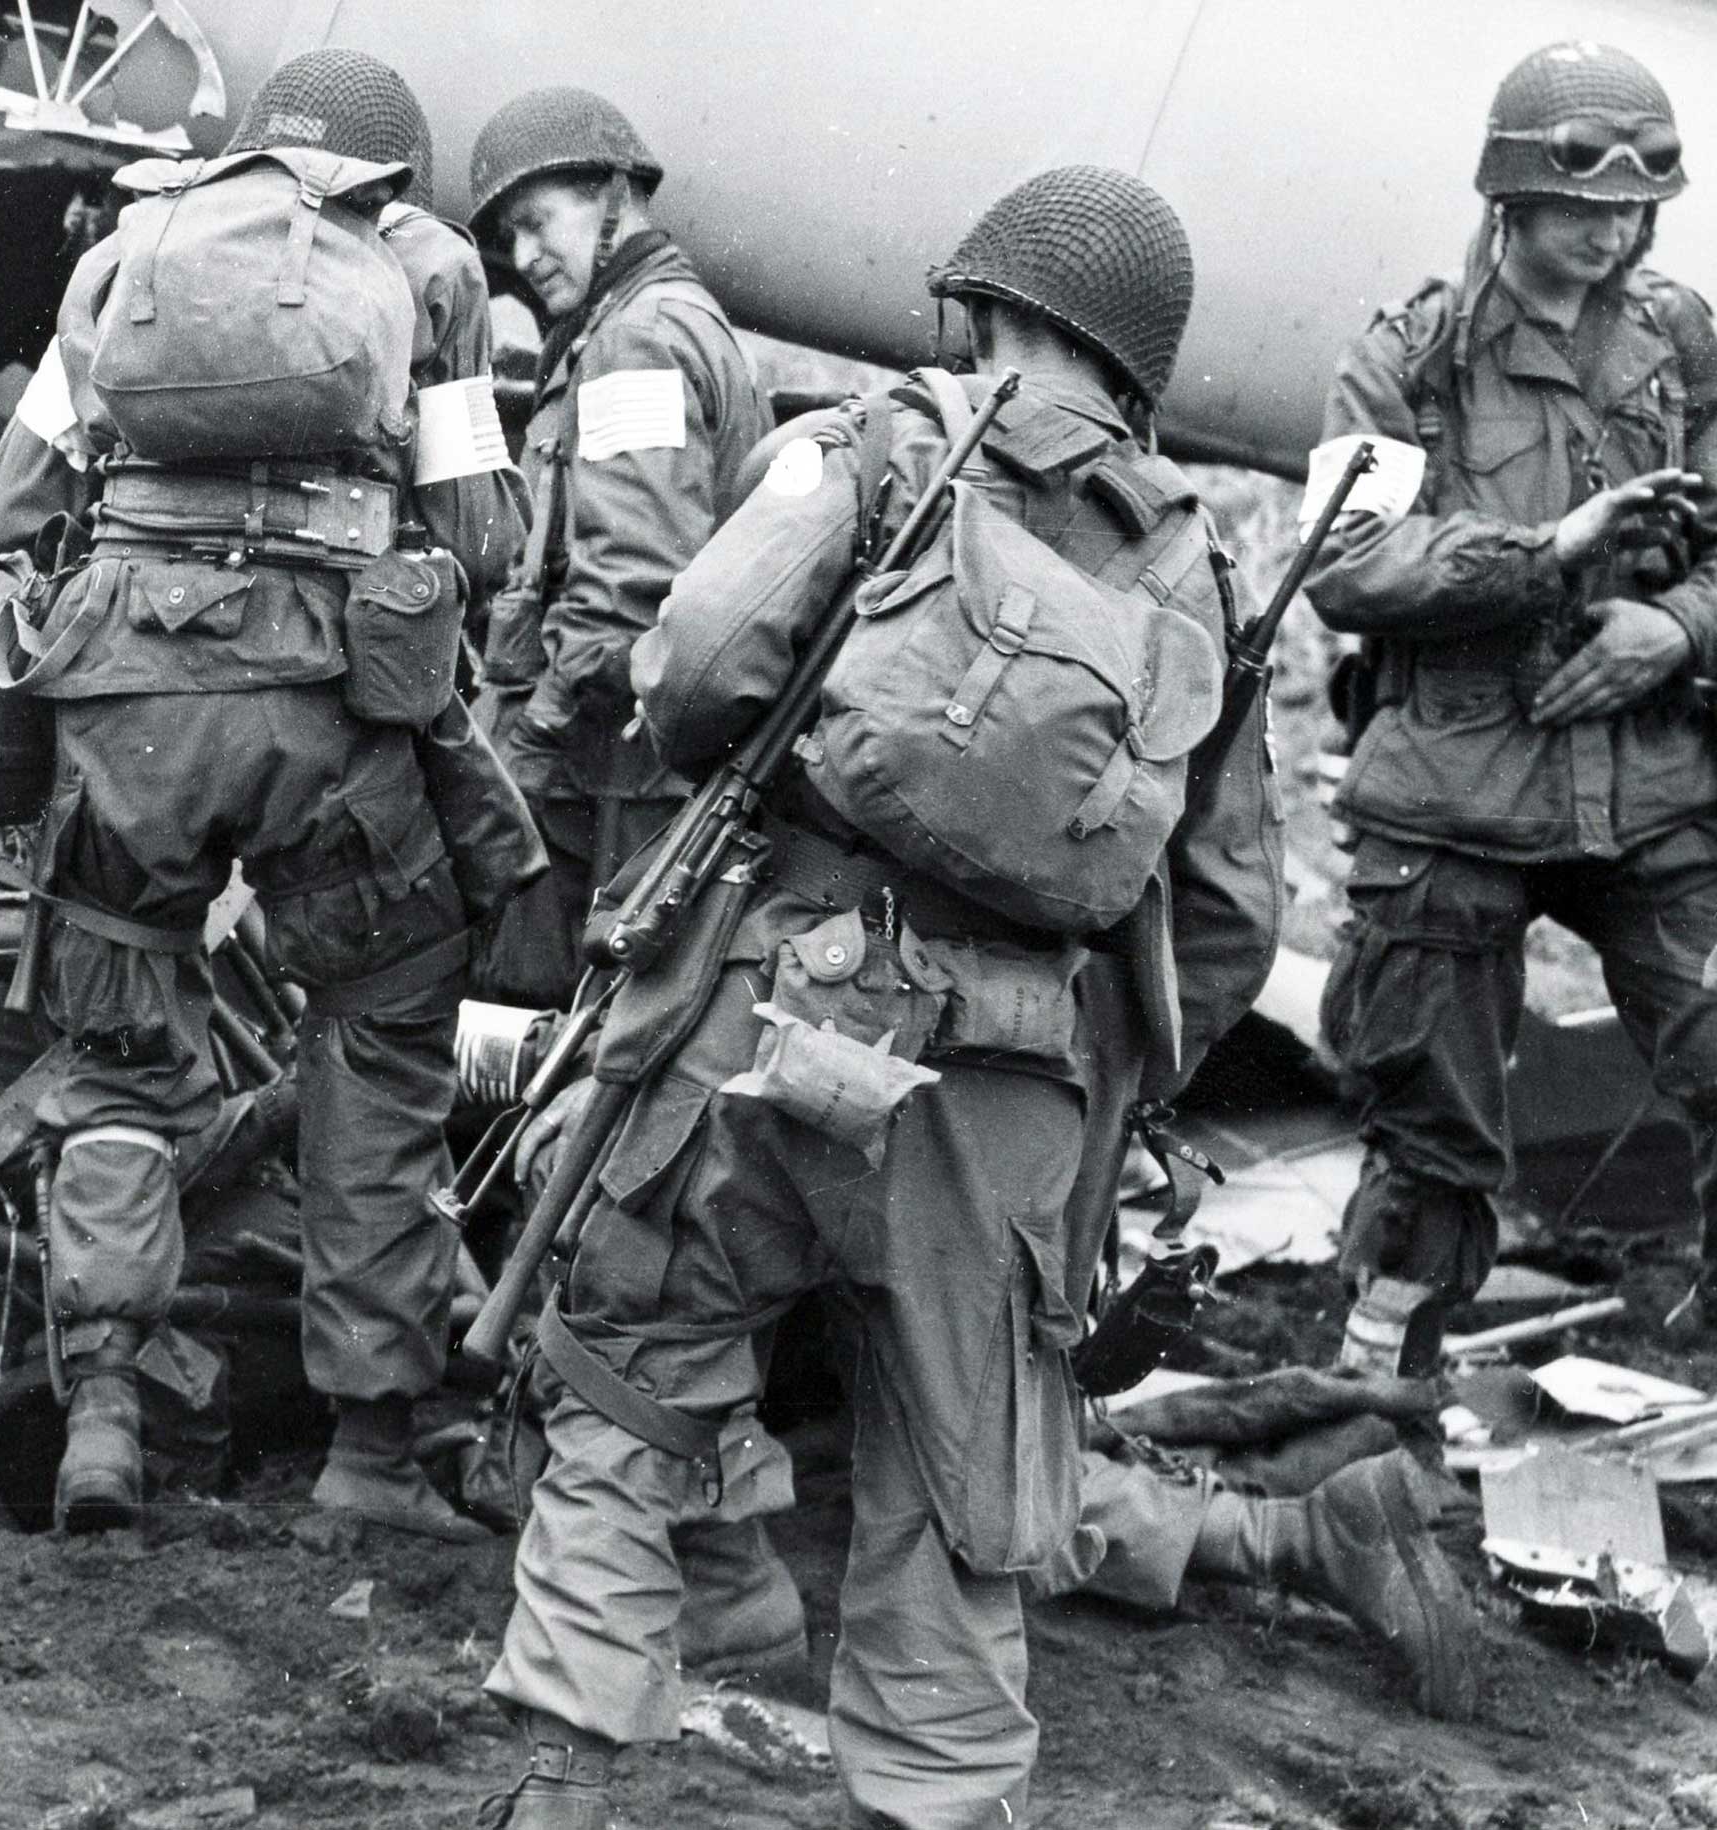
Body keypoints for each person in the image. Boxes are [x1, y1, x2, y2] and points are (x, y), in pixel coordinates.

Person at [480, 165, 1282, 1830]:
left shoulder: (880, 446)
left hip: (772, 1009)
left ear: (983, 309)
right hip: (1004, 1089)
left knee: (630, 1392)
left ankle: (556, 1791)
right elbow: (1224, 918)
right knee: (952, 1486)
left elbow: (695, 660)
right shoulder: (1196, 579)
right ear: (1137, 366)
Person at [0, 48, 527, 1537]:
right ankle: (365, 1455)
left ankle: (102, 1414)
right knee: (380, 1025)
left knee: (116, 1046)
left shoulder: (119, 258)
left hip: (122, 698)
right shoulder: (433, 267)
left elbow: (16, 508)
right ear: (386, 174)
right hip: (325, 709)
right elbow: (478, 532)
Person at [1308, 40, 1717, 1357]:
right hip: (1454, 789)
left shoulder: (1686, 343)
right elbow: (1343, 560)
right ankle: (1374, 1418)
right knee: (1429, 1141)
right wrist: (1544, 552)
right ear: (1512, 199)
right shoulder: (1413, 358)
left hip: (1649, 778)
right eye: (1581, 205)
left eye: (1632, 210)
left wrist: (1674, 624)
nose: (1610, 235)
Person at [465, 86, 771, 1010]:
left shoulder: (635, 338)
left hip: (599, 772)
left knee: (523, 1029)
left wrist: (524, 742)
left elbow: (633, 584)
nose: (523, 257)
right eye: (507, 237)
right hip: (618, 764)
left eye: (537, 222)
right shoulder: (656, 319)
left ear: (611, 194)